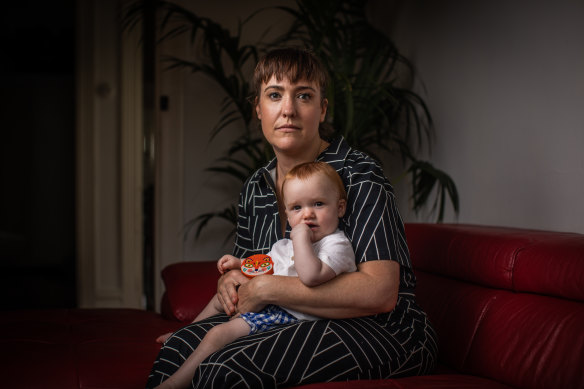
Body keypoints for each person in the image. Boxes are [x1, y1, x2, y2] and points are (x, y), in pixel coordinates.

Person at [146, 47, 438, 389]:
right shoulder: (255, 186)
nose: (288, 110)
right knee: (179, 349)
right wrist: (230, 282)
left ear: (322, 108)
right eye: (274, 95)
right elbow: (253, 269)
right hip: (290, 317)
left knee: (225, 368)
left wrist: (270, 287)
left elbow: (381, 293)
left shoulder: (360, 175)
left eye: (303, 95)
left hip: (387, 328)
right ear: (258, 107)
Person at [154, 161, 356, 389]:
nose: (307, 214)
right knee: (224, 294)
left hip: (294, 316)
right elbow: (266, 264)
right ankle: (188, 329)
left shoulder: (337, 244)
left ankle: (175, 384)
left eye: (318, 204)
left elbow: (310, 276)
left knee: (218, 335)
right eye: (297, 208)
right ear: (287, 215)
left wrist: (300, 239)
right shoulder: (285, 244)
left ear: (339, 208)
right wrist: (240, 264)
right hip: (273, 303)